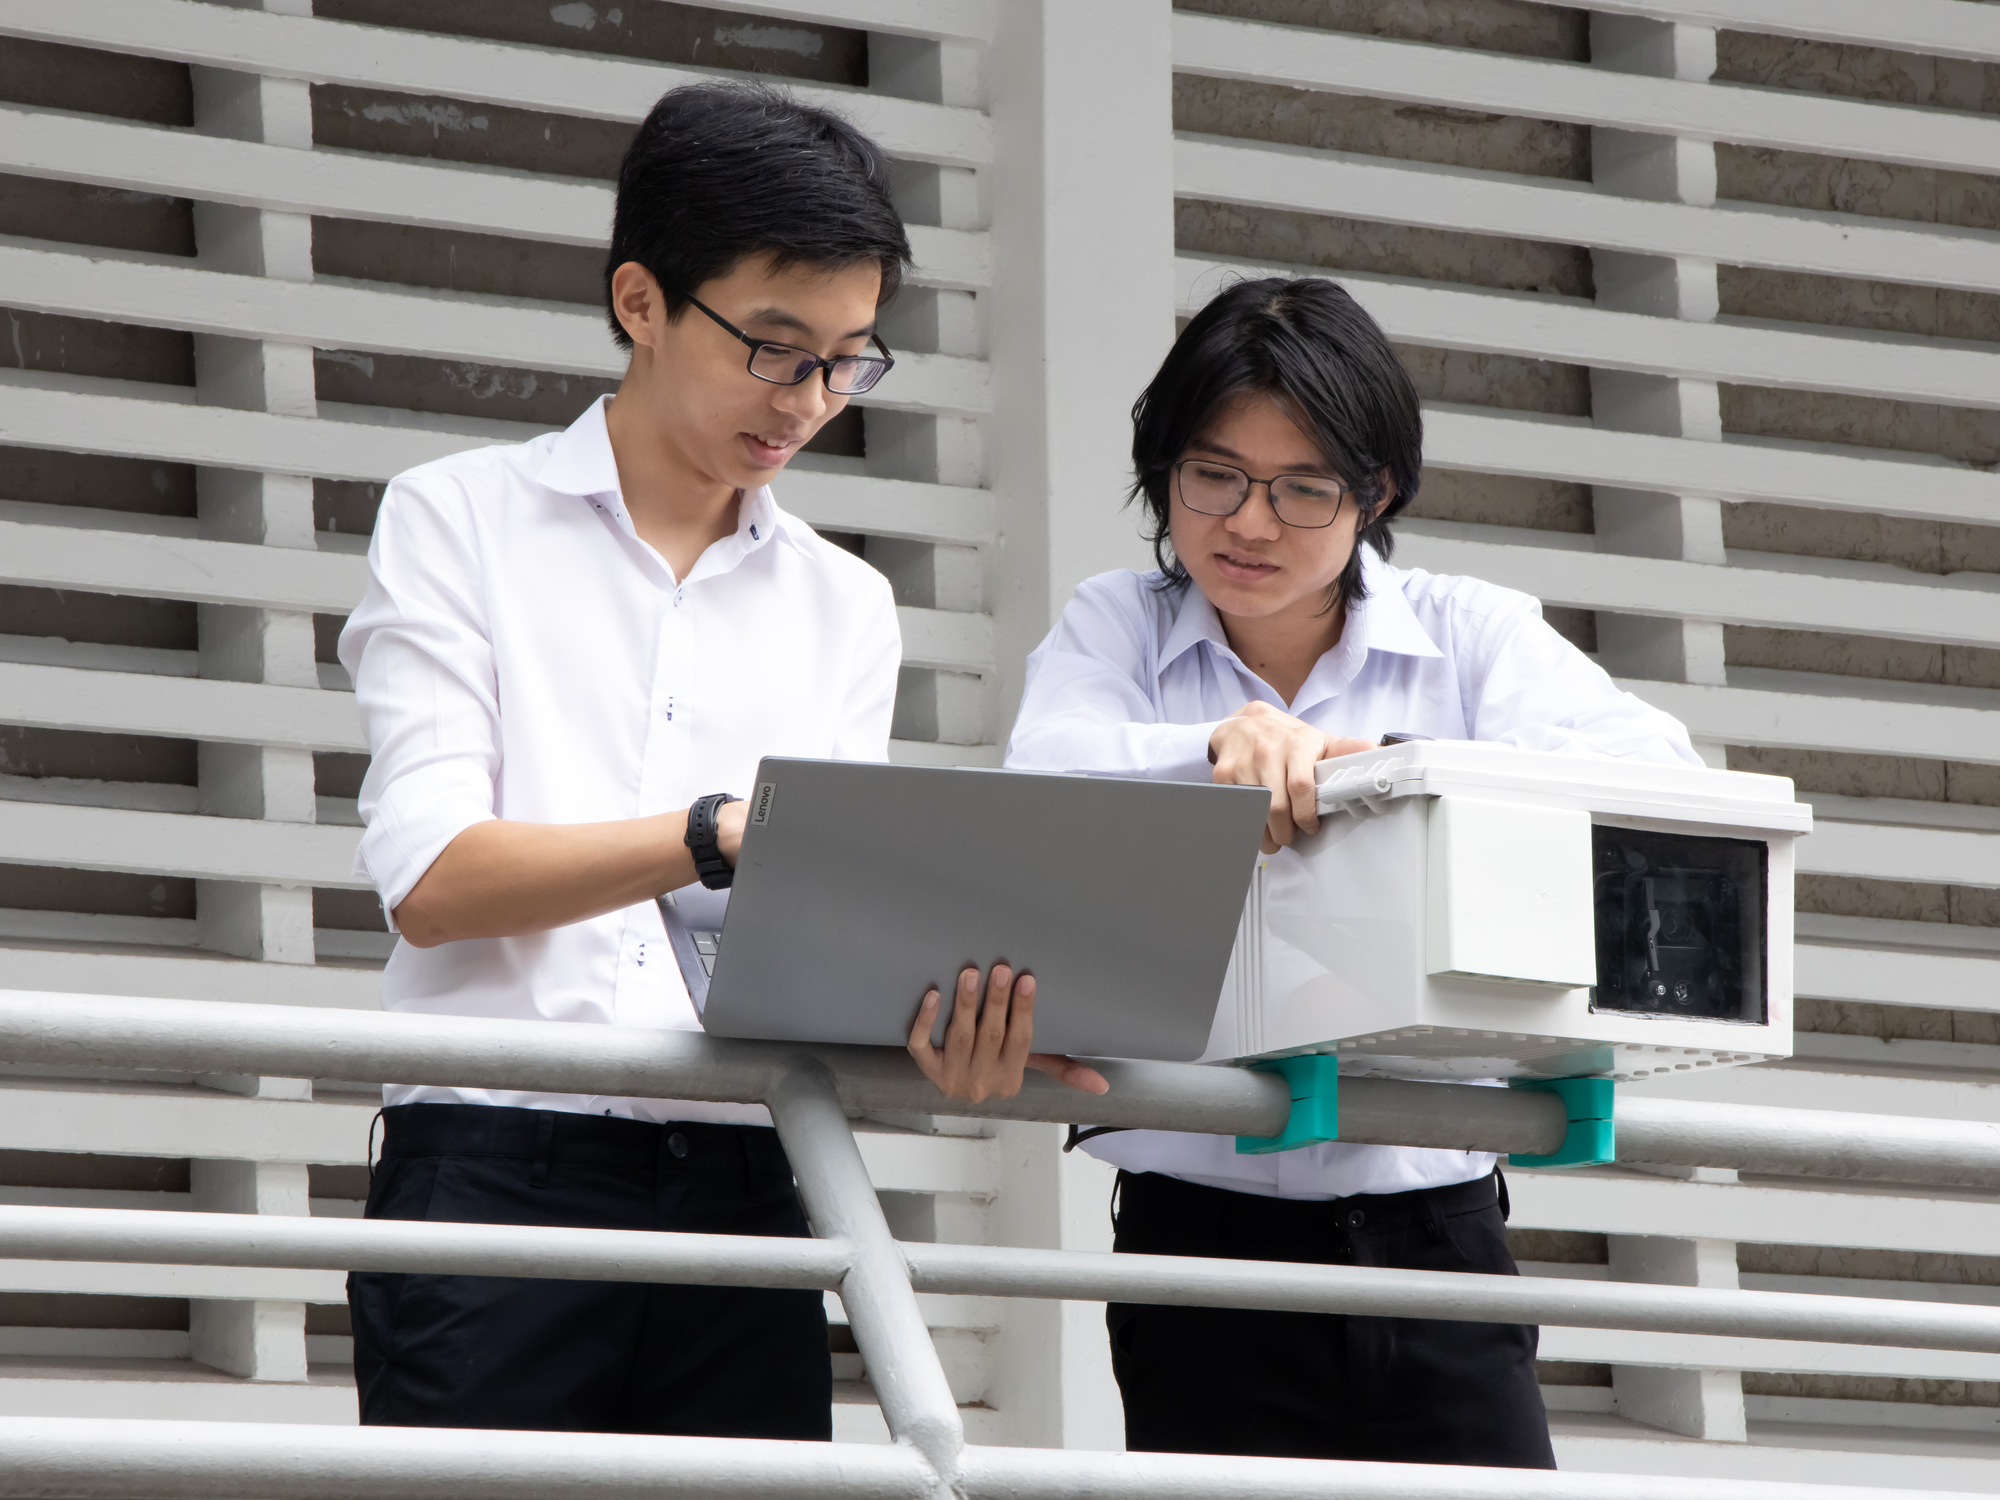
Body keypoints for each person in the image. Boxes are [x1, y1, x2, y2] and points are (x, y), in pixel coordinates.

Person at [340, 81, 1100, 1440]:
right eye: (773, 346)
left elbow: (810, 952)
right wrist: (710, 834)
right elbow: (435, 879)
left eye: (849, 359)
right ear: (641, 300)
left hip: (753, 1176)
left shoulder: (845, 607)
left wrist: (961, 1031)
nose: (808, 399)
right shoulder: (457, 521)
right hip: (497, 1170)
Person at [1005, 275, 1703, 1466]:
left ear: (1375, 491)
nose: (1249, 523)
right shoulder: (1114, 623)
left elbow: (1661, 781)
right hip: (1199, 1243)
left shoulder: (1467, 630)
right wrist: (1214, 746)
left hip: (1440, 1236)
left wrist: (1372, 774)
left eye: (1303, 487)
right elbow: (1044, 784)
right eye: (1212, 475)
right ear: (1162, 470)